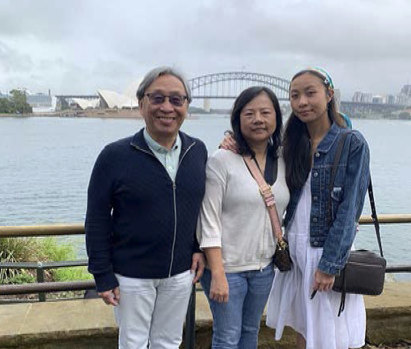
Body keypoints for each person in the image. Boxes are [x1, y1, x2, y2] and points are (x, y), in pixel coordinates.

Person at [85, 66, 207, 349]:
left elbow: (199, 207)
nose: (167, 107)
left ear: (186, 106)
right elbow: (97, 220)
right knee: (133, 343)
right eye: (158, 98)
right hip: (131, 275)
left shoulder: (197, 151)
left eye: (177, 100)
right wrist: (102, 275)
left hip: (179, 272)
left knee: (168, 342)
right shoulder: (114, 156)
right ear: (142, 104)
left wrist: (197, 247)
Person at [266, 68, 370, 349]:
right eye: (295, 96)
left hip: (323, 252)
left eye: (310, 93)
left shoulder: (352, 142)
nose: (302, 102)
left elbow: (350, 210)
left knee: (327, 333)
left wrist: (329, 265)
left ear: (329, 94)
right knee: (305, 328)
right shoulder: (292, 143)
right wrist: (230, 140)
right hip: (295, 251)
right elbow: (257, 156)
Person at [197, 86, 290, 348]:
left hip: (264, 268)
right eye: (249, 113)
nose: (258, 119)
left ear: (276, 118)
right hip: (228, 268)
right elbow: (209, 219)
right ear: (238, 119)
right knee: (227, 337)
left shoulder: (284, 160)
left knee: (250, 333)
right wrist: (217, 272)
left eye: (265, 112)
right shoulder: (221, 160)